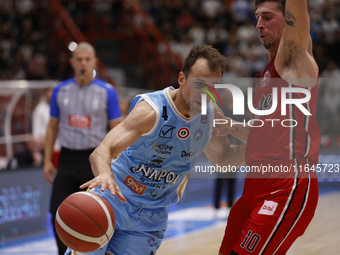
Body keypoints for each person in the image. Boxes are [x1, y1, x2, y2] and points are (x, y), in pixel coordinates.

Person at [64, 45, 248, 255]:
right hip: (112, 199)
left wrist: (258, 142)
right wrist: (105, 174)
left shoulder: (209, 117)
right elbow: (102, 150)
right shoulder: (151, 111)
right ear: (182, 79)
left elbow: (224, 160)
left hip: (150, 219)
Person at [219, 1, 320, 254]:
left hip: (286, 182)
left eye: (267, 16)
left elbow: (299, 13)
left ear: (287, 19)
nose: (259, 24)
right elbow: (261, 134)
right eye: (257, 17)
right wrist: (230, 127)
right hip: (253, 185)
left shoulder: (294, 60)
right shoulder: (264, 76)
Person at [43, 42, 122, 255]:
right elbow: (52, 126)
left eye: (88, 59)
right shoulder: (60, 90)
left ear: (95, 62)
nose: (83, 63)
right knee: (56, 211)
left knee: (101, 213)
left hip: (95, 160)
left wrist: (114, 162)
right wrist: (47, 159)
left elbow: (117, 130)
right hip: (68, 159)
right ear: (72, 63)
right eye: (79, 59)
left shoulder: (107, 92)